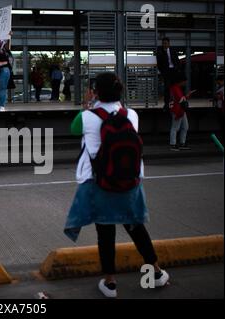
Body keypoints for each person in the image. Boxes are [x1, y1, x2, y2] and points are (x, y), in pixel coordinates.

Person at [65, 72, 169, 298]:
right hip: (130, 182)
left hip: (99, 182)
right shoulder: (131, 115)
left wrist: (86, 105)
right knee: (136, 227)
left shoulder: (87, 117)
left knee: (105, 232)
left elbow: (73, 129)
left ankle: (110, 283)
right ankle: (156, 273)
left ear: (95, 92)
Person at [169, 72, 195, 151]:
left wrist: (186, 96)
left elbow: (180, 99)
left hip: (179, 109)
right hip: (178, 110)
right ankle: (173, 144)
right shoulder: (175, 88)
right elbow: (181, 100)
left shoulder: (175, 88)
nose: (185, 83)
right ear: (180, 81)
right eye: (184, 81)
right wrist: (187, 96)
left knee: (184, 127)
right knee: (176, 127)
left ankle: (181, 143)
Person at [157, 37, 180, 110]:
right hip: (166, 72)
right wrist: (162, 72)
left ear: (169, 44)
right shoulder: (160, 51)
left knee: (175, 87)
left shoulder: (173, 50)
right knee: (166, 88)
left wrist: (177, 69)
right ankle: (166, 104)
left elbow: (177, 60)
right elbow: (159, 63)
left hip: (173, 70)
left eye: (166, 43)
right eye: (163, 43)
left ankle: (177, 102)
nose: (164, 45)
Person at [214, 75, 224, 142]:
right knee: (221, 125)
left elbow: (220, 97)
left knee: (223, 124)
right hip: (220, 108)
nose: (218, 83)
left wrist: (219, 96)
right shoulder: (220, 87)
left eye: (219, 82)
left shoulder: (222, 88)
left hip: (222, 109)